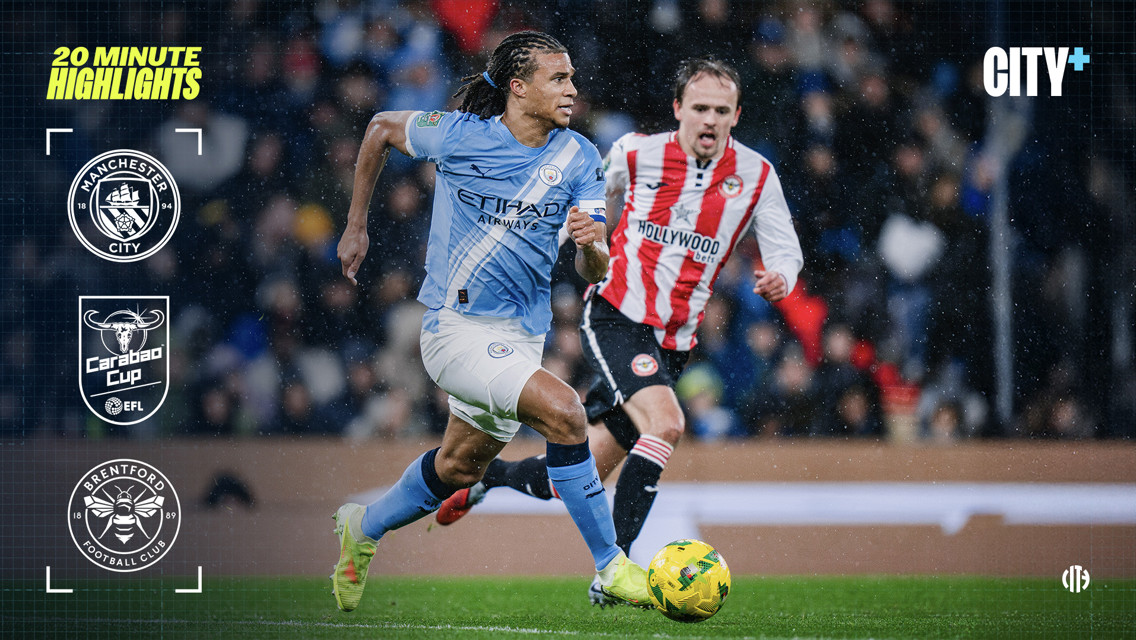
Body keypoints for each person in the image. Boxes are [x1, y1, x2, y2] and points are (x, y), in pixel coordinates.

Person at [433, 57, 804, 605]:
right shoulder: (634, 153)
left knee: (573, 477)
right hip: (616, 315)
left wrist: (781, 276)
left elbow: (785, 247)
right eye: (699, 108)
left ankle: (488, 479)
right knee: (668, 422)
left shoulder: (756, 176)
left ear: (736, 116)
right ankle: (617, 568)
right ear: (677, 109)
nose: (709, 120)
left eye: (721, 111)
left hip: (674, 343)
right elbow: (585, 208)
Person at [330, 31, 652, 613]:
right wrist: (357, 225)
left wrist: (594, 247)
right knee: (566, 412)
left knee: (457, 467)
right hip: (454, 330)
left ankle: (364, 528)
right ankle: (612, 566)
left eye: (573, 77)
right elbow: (379, 127)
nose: (572, 90)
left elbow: (591, 267)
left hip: (520, 338)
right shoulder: (458, 136)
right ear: (517, 87)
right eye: (559, 79)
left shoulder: (579, 157)